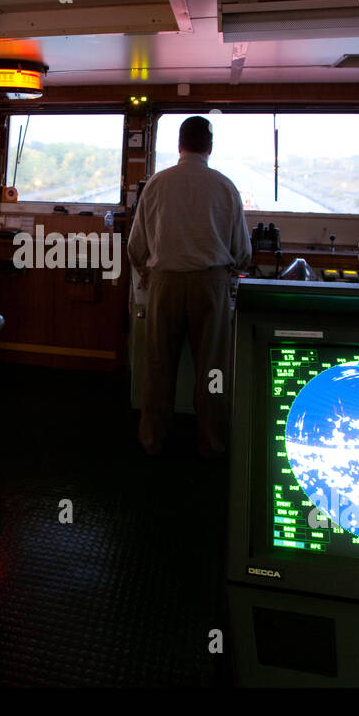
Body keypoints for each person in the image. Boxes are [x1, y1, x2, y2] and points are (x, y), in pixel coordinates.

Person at [128, 116, 251, 459]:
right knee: (212, 370)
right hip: (210, 286)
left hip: (164, 284)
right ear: (209, 147)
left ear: (179, 145)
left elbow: (136, 246)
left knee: (157, 367)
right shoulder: (225, 187)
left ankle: (152, 441)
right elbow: (242, 252)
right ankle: (211, 444)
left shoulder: (156, 184)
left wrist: (146, 272)